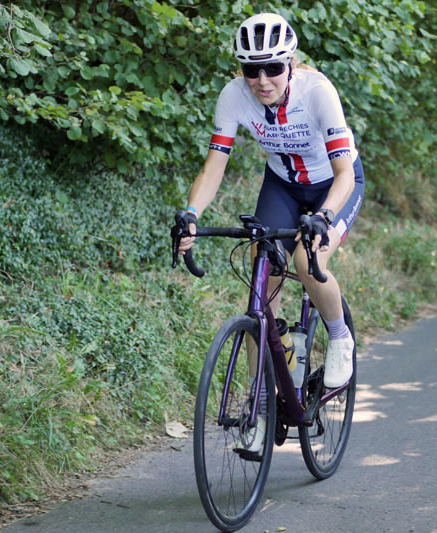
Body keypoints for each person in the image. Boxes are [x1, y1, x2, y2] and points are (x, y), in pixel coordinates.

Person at [177, 12, 365, 450]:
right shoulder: (233, 96)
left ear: (291, 63)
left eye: (273, 68)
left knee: (307, 259)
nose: (262, 80)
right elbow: (214, 166)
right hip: (281, 185)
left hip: (335, 185)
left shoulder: (317, 92)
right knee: (262, 294)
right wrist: (191, 212)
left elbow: (344, 174)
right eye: (251, 69)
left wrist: (324, 217)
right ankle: (261, 406)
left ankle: (340, 339)